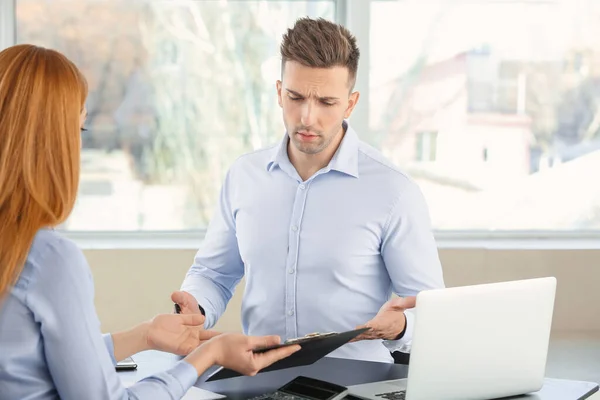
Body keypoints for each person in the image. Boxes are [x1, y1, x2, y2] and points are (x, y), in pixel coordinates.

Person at [0, 44, 299, 400]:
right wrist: (210, 354)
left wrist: (144, 336)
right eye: (77, 132)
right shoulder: (49, 259)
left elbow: (29, 358)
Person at [172, 17, 445, 364]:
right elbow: (214, 274)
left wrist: (402, 325)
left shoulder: (393, 191)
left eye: (327, 102)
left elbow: (435, 313)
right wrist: (194, 305)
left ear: (350, 103)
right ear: (278, 92)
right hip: (258, 377)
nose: (306, 117)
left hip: (357, 382)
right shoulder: (245, 176)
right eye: (295, 97)